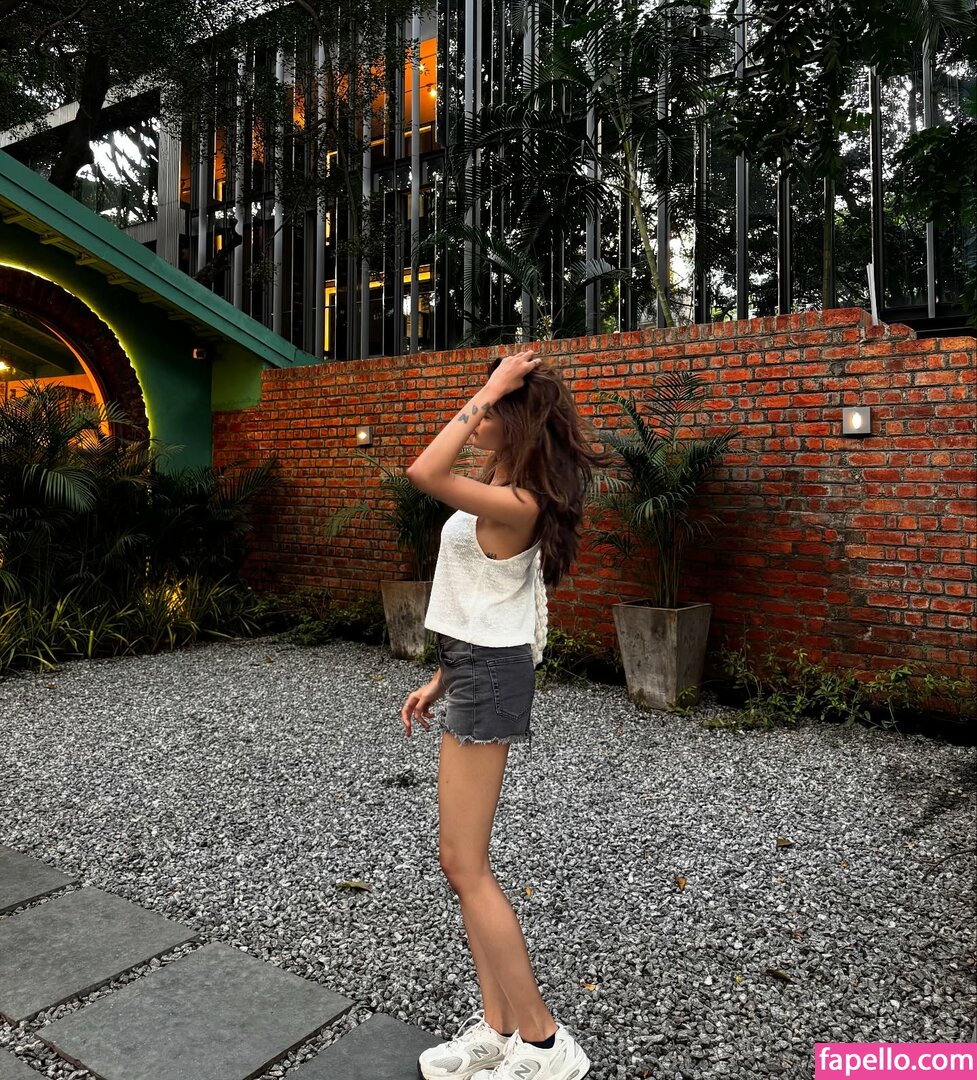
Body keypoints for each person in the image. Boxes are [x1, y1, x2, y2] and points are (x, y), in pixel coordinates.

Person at [400, 349, 603, 1080]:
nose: (479, 416)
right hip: (473, 666)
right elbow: (487, 595)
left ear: (515, 419)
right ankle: (496, 1030)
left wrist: (489, 388)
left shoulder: (521, 503)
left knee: (464, 864)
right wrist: (440, 678)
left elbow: (423, 472)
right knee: (463, 865)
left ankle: (546, 1042)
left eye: (489, 409)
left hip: (489, 676)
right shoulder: (499, 486)